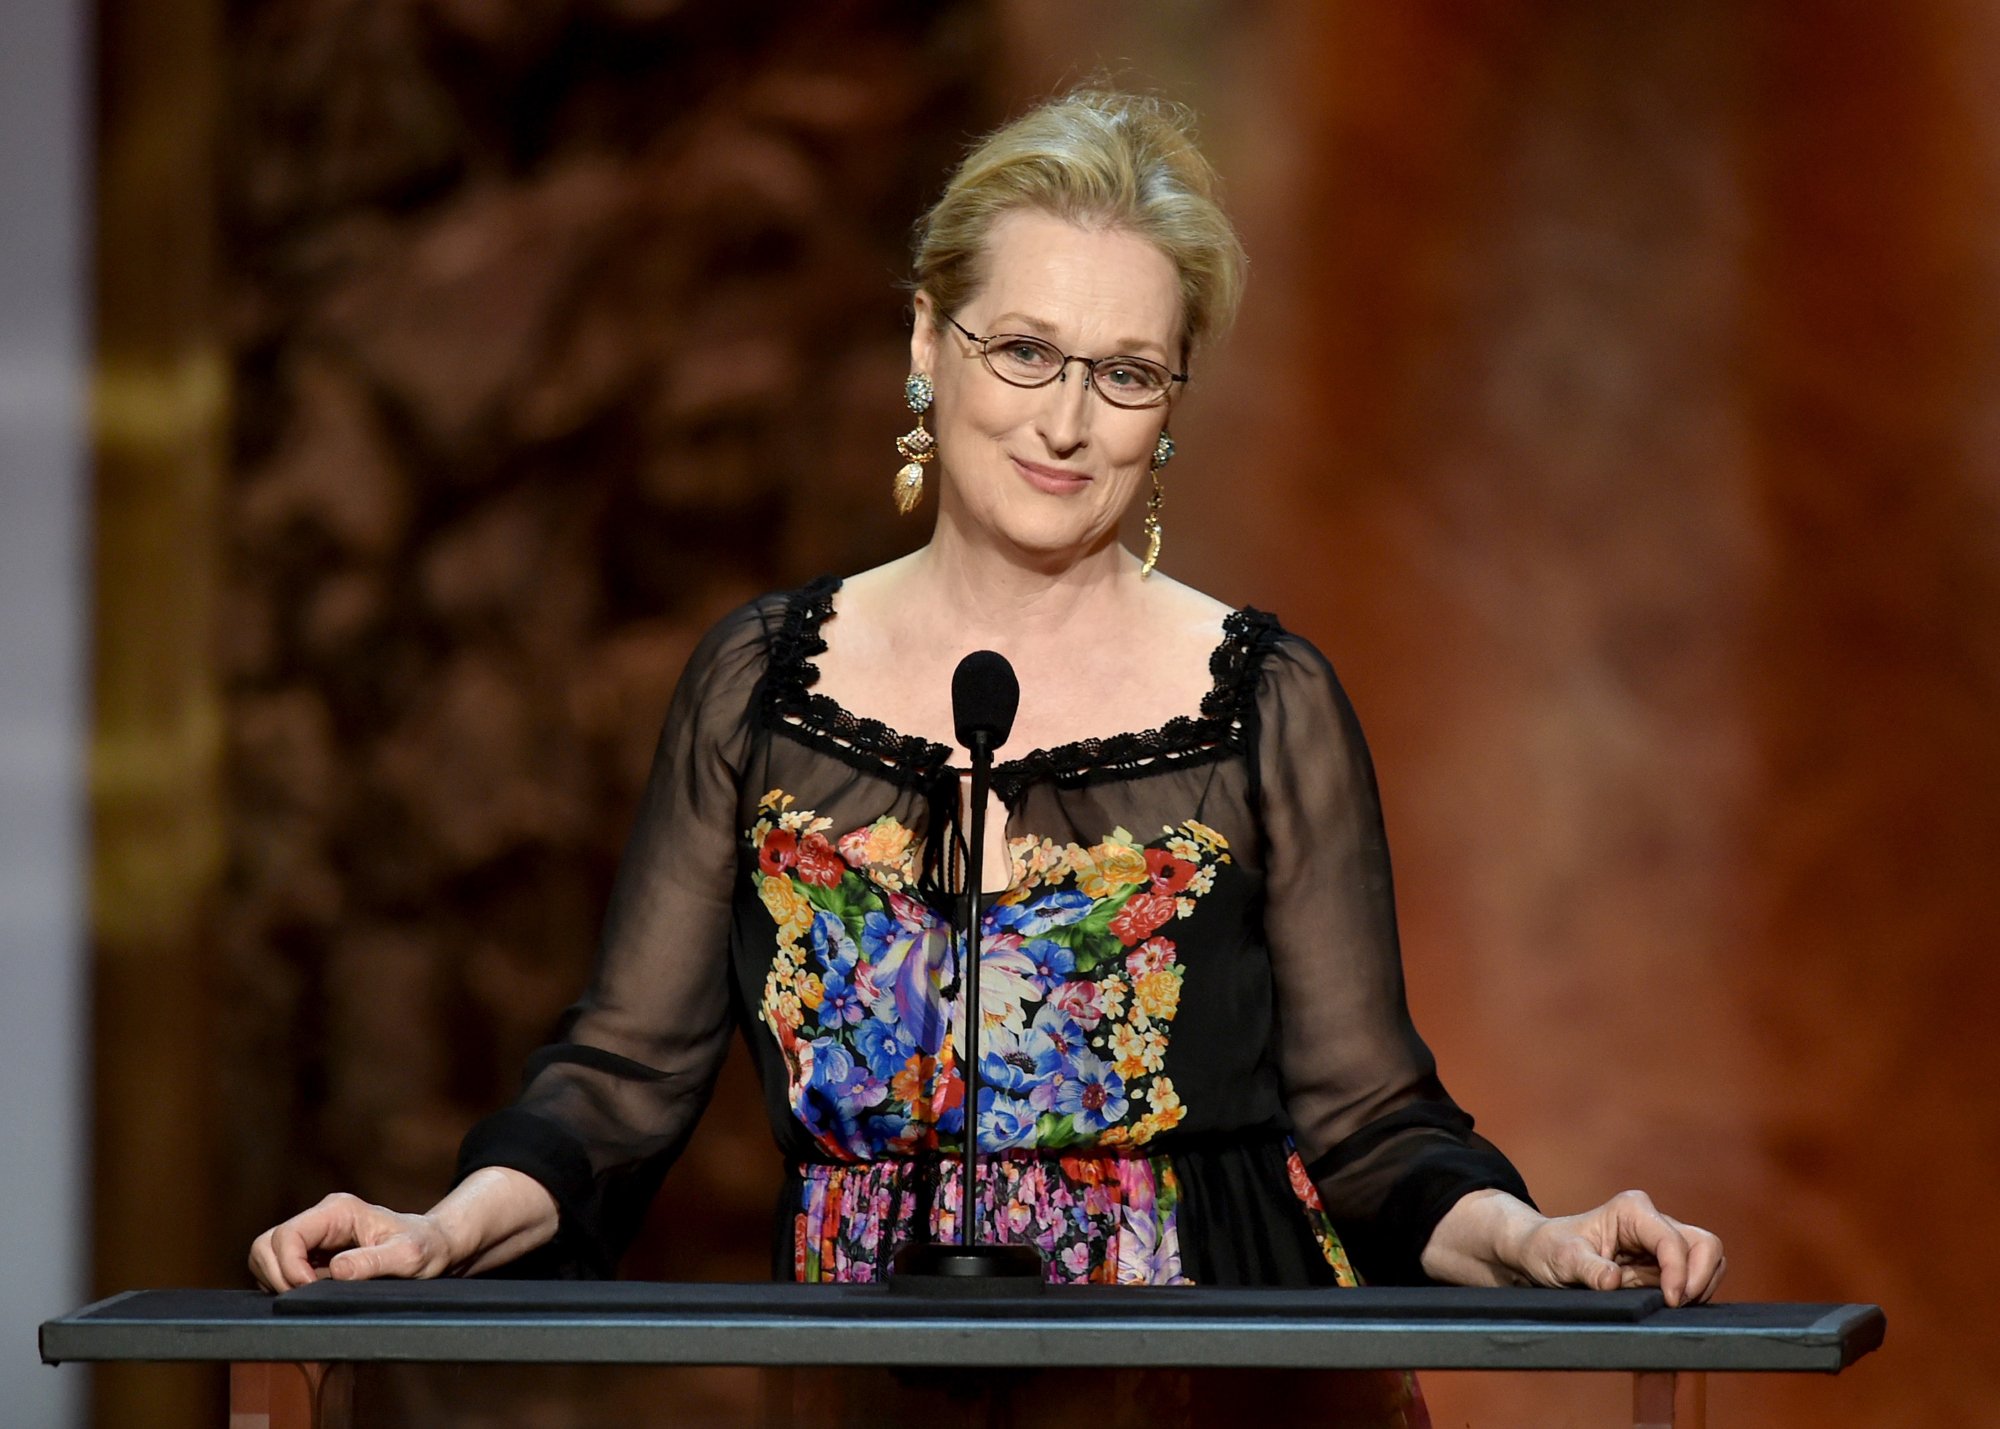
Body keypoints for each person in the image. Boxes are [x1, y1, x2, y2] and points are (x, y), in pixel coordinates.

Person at [251, 84, 1723, 1363]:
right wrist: (440, 1227)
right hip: (872, 1375)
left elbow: (1370, 1124)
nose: (1066, 421)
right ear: (926, 340)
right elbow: (621, 1083)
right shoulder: (762, 682)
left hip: (1205, 1392)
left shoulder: (1263, 699)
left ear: (1168, 405)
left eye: (1126, 373)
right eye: (1023, 348)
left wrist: (1541, 1238)